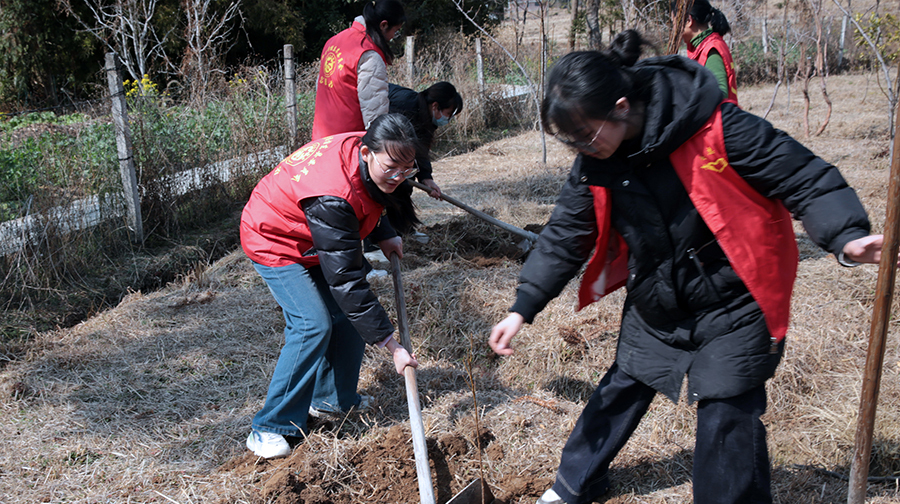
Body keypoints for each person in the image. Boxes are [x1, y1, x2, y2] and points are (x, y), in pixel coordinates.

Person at [488, 30, 887, 504]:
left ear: (620, 105)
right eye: (571, 142)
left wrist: (845, 236)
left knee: (726, 413)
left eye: (585, 136)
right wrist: (522, 308)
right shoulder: (596, 160)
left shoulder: (717, 127)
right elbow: (565, 235)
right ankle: (573, 485)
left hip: (737, 298)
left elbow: (805, 176)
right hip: (658, 295)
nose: (581, 150)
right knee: (622, 388)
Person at [241, 113, 421, 459]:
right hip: (274, 238)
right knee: (312, 323)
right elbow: (347, 280)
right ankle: (270, 427)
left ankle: (331, 401)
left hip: (314, 237)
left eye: (407, 170)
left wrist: (383, 233)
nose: (399, 178)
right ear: (367, 153)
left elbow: (370, 194)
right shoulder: (332, 195)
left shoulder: (370, 148)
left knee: (346, 317)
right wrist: (391, 344)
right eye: (392, 168)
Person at [312, 0, 406, 140]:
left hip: (321, 138)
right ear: (383, 25)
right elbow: (375, 115)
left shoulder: (333, 41)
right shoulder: (369, 54)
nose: (393, 37)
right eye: (395, 31)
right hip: (348, 143)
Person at [388, 81, 464, 198]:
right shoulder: (404, 107)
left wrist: (426, 178)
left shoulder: (426, 117)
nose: (448, 119)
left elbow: (420, 149)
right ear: (435, 106)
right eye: (448, 113)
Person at [672, 0, 738, 104]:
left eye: (674, 23)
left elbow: (719, 96)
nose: (674, 29)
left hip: (718, 119)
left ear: (689, 20)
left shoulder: (711, 50)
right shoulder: (698, 48)